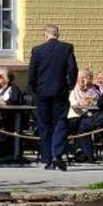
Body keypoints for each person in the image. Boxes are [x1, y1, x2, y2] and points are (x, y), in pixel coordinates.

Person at [29, 25, 79, 171]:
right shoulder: (67, 48)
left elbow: (32, 72)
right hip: (60, 91)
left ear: (45, 34)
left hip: (42, 92)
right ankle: (57, 154)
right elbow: (72, 70)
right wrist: (70, 86)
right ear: (58, 34)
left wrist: (33, 90)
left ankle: (48, 159)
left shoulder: (37, 50)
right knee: (60, 122)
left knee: (44, 126)